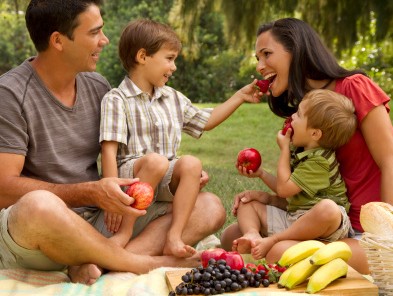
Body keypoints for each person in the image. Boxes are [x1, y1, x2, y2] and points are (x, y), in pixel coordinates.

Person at [0, 0, 224, 286]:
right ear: (58, 40)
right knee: (38, 206)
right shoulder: (10, 94)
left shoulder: (97, 87)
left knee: (209, 206)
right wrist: (91, 192)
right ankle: (142, 262)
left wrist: (176, 173)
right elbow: (4, 188)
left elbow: (129, 157)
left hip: (100, 222)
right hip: (41, 233)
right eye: (94, 33)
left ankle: (96, 263)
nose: (105, 41)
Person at [220, 17, 393, 274]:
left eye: (267, 54)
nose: (260, 66)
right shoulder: (299, 119)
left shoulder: (355, 87)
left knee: (277, 252)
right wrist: (267, 197)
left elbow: (389, 159)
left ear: (296, 50)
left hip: (363, 230)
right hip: (320, 222)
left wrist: (387, 235)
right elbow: (306, 186)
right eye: (258, 57)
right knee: (230, 237)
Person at [99, 19, 261, 258]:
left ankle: (173, 237)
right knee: (155, 162)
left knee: (191, 163)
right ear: (143, 56)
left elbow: (206, 121)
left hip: (163, 178)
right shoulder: (117, 99)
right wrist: (112, 197)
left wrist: (238, 96)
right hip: (130, 179)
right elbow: (109, 152)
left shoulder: (172, 98)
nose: (174, 67)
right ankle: (123, 233)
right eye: (169, 58)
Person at [232, 89, 357, 260]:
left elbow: (283, 190)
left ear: (314, 133)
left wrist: (284, 150)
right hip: (295, 218)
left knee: (328, 208)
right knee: (247, 203)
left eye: (298, 114)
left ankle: (274, 239)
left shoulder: (320, 161)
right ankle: (253, 236)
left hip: (324, 226)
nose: (292, 117)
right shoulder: (301, 151)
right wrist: (261, 174)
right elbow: (286, 188)